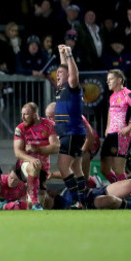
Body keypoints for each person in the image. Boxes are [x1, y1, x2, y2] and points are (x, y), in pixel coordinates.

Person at [100, 69, 131, 183]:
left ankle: (127, 196)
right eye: (107, 80)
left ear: (119, 80)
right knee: (104, 169)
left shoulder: (128, 94)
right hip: (111, 135)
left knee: (119, 170)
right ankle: (119, 190)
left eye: (110, 79)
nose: (108, 82)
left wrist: (128, 128)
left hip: (121, 136)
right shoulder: (112, 96)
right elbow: (110, 112)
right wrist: (107, 127)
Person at [54, 44, 87, 208]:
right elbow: (65, 69)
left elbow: (73, 74)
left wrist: (69, 54)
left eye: (61, 73)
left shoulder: (72, 86)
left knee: (63, 166)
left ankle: (76, 200)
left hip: (71, 132)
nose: (57, 74)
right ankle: (83, 199)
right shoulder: (62, 88)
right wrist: (61, 54)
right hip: (72, 133)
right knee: (76, 168)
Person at [13, 102, 59, 210]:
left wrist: (37, 149)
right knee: (34, 166)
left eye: (26, 114)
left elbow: (56, 147)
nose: (23, 117)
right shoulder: (20, 128)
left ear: (34, 114)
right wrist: (32, 159)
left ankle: (34, 206)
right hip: (25, 165)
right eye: (22, 114)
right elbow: (18, 152)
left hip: (43, 168)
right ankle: (34, 202)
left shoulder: (49, 125)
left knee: (42, 201)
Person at [45, 102, 101, 188]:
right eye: (47, 117)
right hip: (76, 143)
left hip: (89, 144)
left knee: (79, 173)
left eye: (50, 117)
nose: (49, 119)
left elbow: (90, 138)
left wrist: (81, 152)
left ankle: (90, 185)